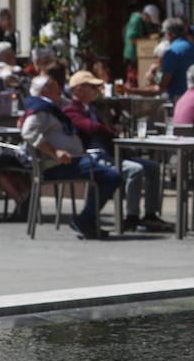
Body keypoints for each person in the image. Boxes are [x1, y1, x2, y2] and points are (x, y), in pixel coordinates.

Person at [62, 69, 173, 234]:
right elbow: (92, 128)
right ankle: (132, 217)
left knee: (153, 166)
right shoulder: (71, 111)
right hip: (93, 156)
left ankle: (150, 214)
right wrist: (110, 130)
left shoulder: (93, 109)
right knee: (135, 170)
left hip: (109, 153)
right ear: (79, 89)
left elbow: (108, 126)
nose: (97, 91)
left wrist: (114, 111)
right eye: (92, 87)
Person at [19, 74, 123, 240]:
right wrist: (55, 152)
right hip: (59, 165)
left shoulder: (50, 106)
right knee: (112, 176)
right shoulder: (40, 107)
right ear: (44, 90)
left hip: (71, 161)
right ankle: (85, 220)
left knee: (106, 173)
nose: (58, 87)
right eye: (53, 84)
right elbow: (28, 131)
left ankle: (88, 221)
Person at [157, 17, 194, 100]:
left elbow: (164, 84)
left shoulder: (172, 52)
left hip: (178, 99)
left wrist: (155, 78)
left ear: (168, 34)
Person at [123, 4, 161, 87]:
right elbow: (131, 39)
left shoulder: (140, 21)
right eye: (150, 19)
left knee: (136, 78)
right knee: (132, 78)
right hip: (132, 55)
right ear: (146, 15)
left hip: (136, 55)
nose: (149, 21)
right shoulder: (136, 20)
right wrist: (147, 39)